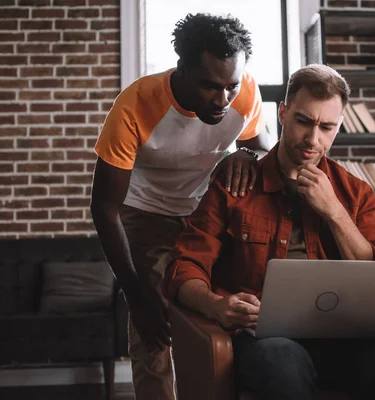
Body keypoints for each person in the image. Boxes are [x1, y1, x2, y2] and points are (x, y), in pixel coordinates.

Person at [163, 64, 375, 400]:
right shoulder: (236, 186)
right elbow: (183, 266)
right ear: (284, 113)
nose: (313, 139)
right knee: (284, 367)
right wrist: (215, 305)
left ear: (338, 127)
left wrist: (334, 211)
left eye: (327, 127)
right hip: (262, 338)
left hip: (343, 337)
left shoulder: (356, 194)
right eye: (304, 121)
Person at [90, 13, 270, 400]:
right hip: (145, 213)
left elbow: (265, 150)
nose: (223, 100)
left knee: (222, 316)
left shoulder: (245, 93)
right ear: (182, 69)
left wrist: (248, 155)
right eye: (209, 86)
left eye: (231, 86)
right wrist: (136, 298)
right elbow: (104, 209)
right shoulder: (135, 105)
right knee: (153, 331)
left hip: (206, 214)